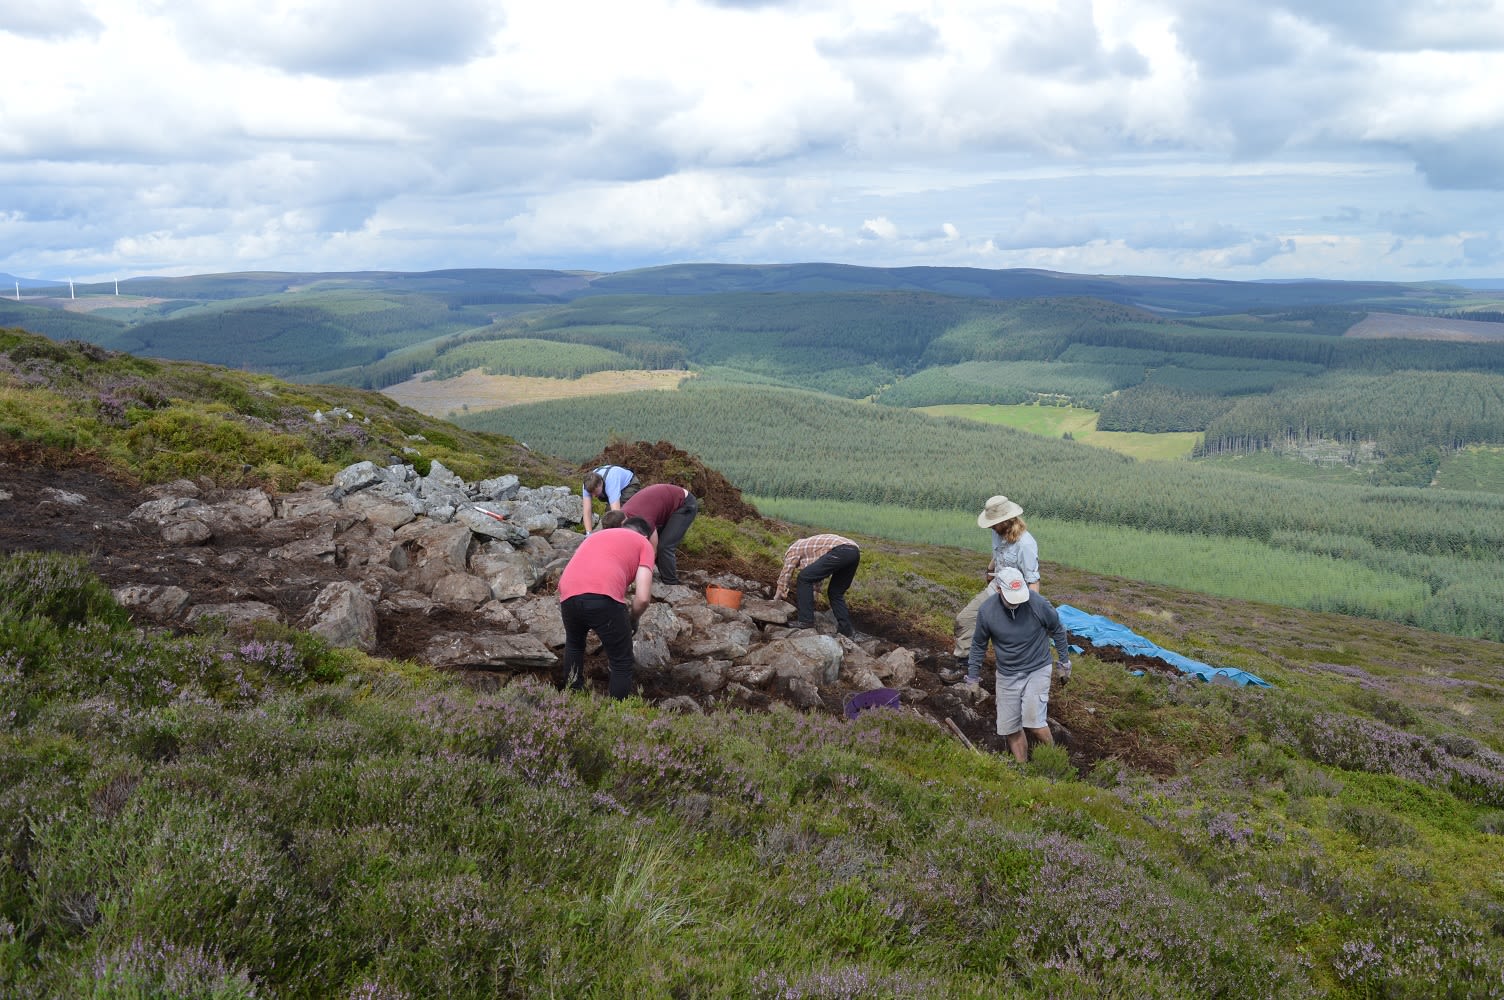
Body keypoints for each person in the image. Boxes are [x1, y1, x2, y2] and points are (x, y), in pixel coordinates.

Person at [966, 567, 1071, 763]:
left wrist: (1064, 662)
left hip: (1037, 667)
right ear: (999, 590)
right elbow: (978, 644)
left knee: (1034, 722)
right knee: (1010, 727)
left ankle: (1056, 760)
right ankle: (1023, 769)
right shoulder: (987, 611)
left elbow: (1057, 628)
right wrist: (972, 677)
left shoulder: (1037, 603)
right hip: (1007, 673)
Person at [556, 515, 657, 699]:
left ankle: (572, 698)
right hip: (603, 596)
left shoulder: (595, 536)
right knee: (621, 661)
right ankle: (614, 715)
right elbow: (642, 598)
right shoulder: (643, 544)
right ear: (646, 536)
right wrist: (632, 619)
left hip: (567, 592)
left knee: (575, 644)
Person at [952, 494, 1041, 662]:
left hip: (1016, 597)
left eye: (993, 523)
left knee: (1012, 641)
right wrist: (990, 569)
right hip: (996, 588)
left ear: (1006, 520)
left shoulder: (1025, 544)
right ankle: (964, 663)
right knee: (964, 619)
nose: (990, 526)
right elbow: (999, 553)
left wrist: (1032, 613)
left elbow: (1033, 580)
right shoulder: (998, 531)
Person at [774, 533, 861, 637]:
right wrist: (814, 593)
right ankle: (846, 630)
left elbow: (787, 571)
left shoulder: (793, 549)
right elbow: (816, 575)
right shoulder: (810, 549)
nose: (797, 566)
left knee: (803, 577)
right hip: (854, 552)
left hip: (841, 550)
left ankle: (805, 621)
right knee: (835, 593)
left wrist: (779, 591)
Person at [619, 483, 699, 586]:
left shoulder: (644, 518)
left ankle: (670, 584)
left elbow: (653, 548)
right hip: (666, 502)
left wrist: (644, 572)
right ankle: (662, 573)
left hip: (684, 504)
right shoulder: (624, 515)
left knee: (665, 546)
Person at [580, 464, 641, 534]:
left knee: (620, 512)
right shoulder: (587, 486)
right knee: (609, 516)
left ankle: (631, 532)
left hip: (629, 484)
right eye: (591, 493)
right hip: (614, 485)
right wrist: (589, 533)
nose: (593, 496)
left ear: (600, 484)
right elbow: (587, 511)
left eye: (595, 492)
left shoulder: (611, 482)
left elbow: (616, 513)